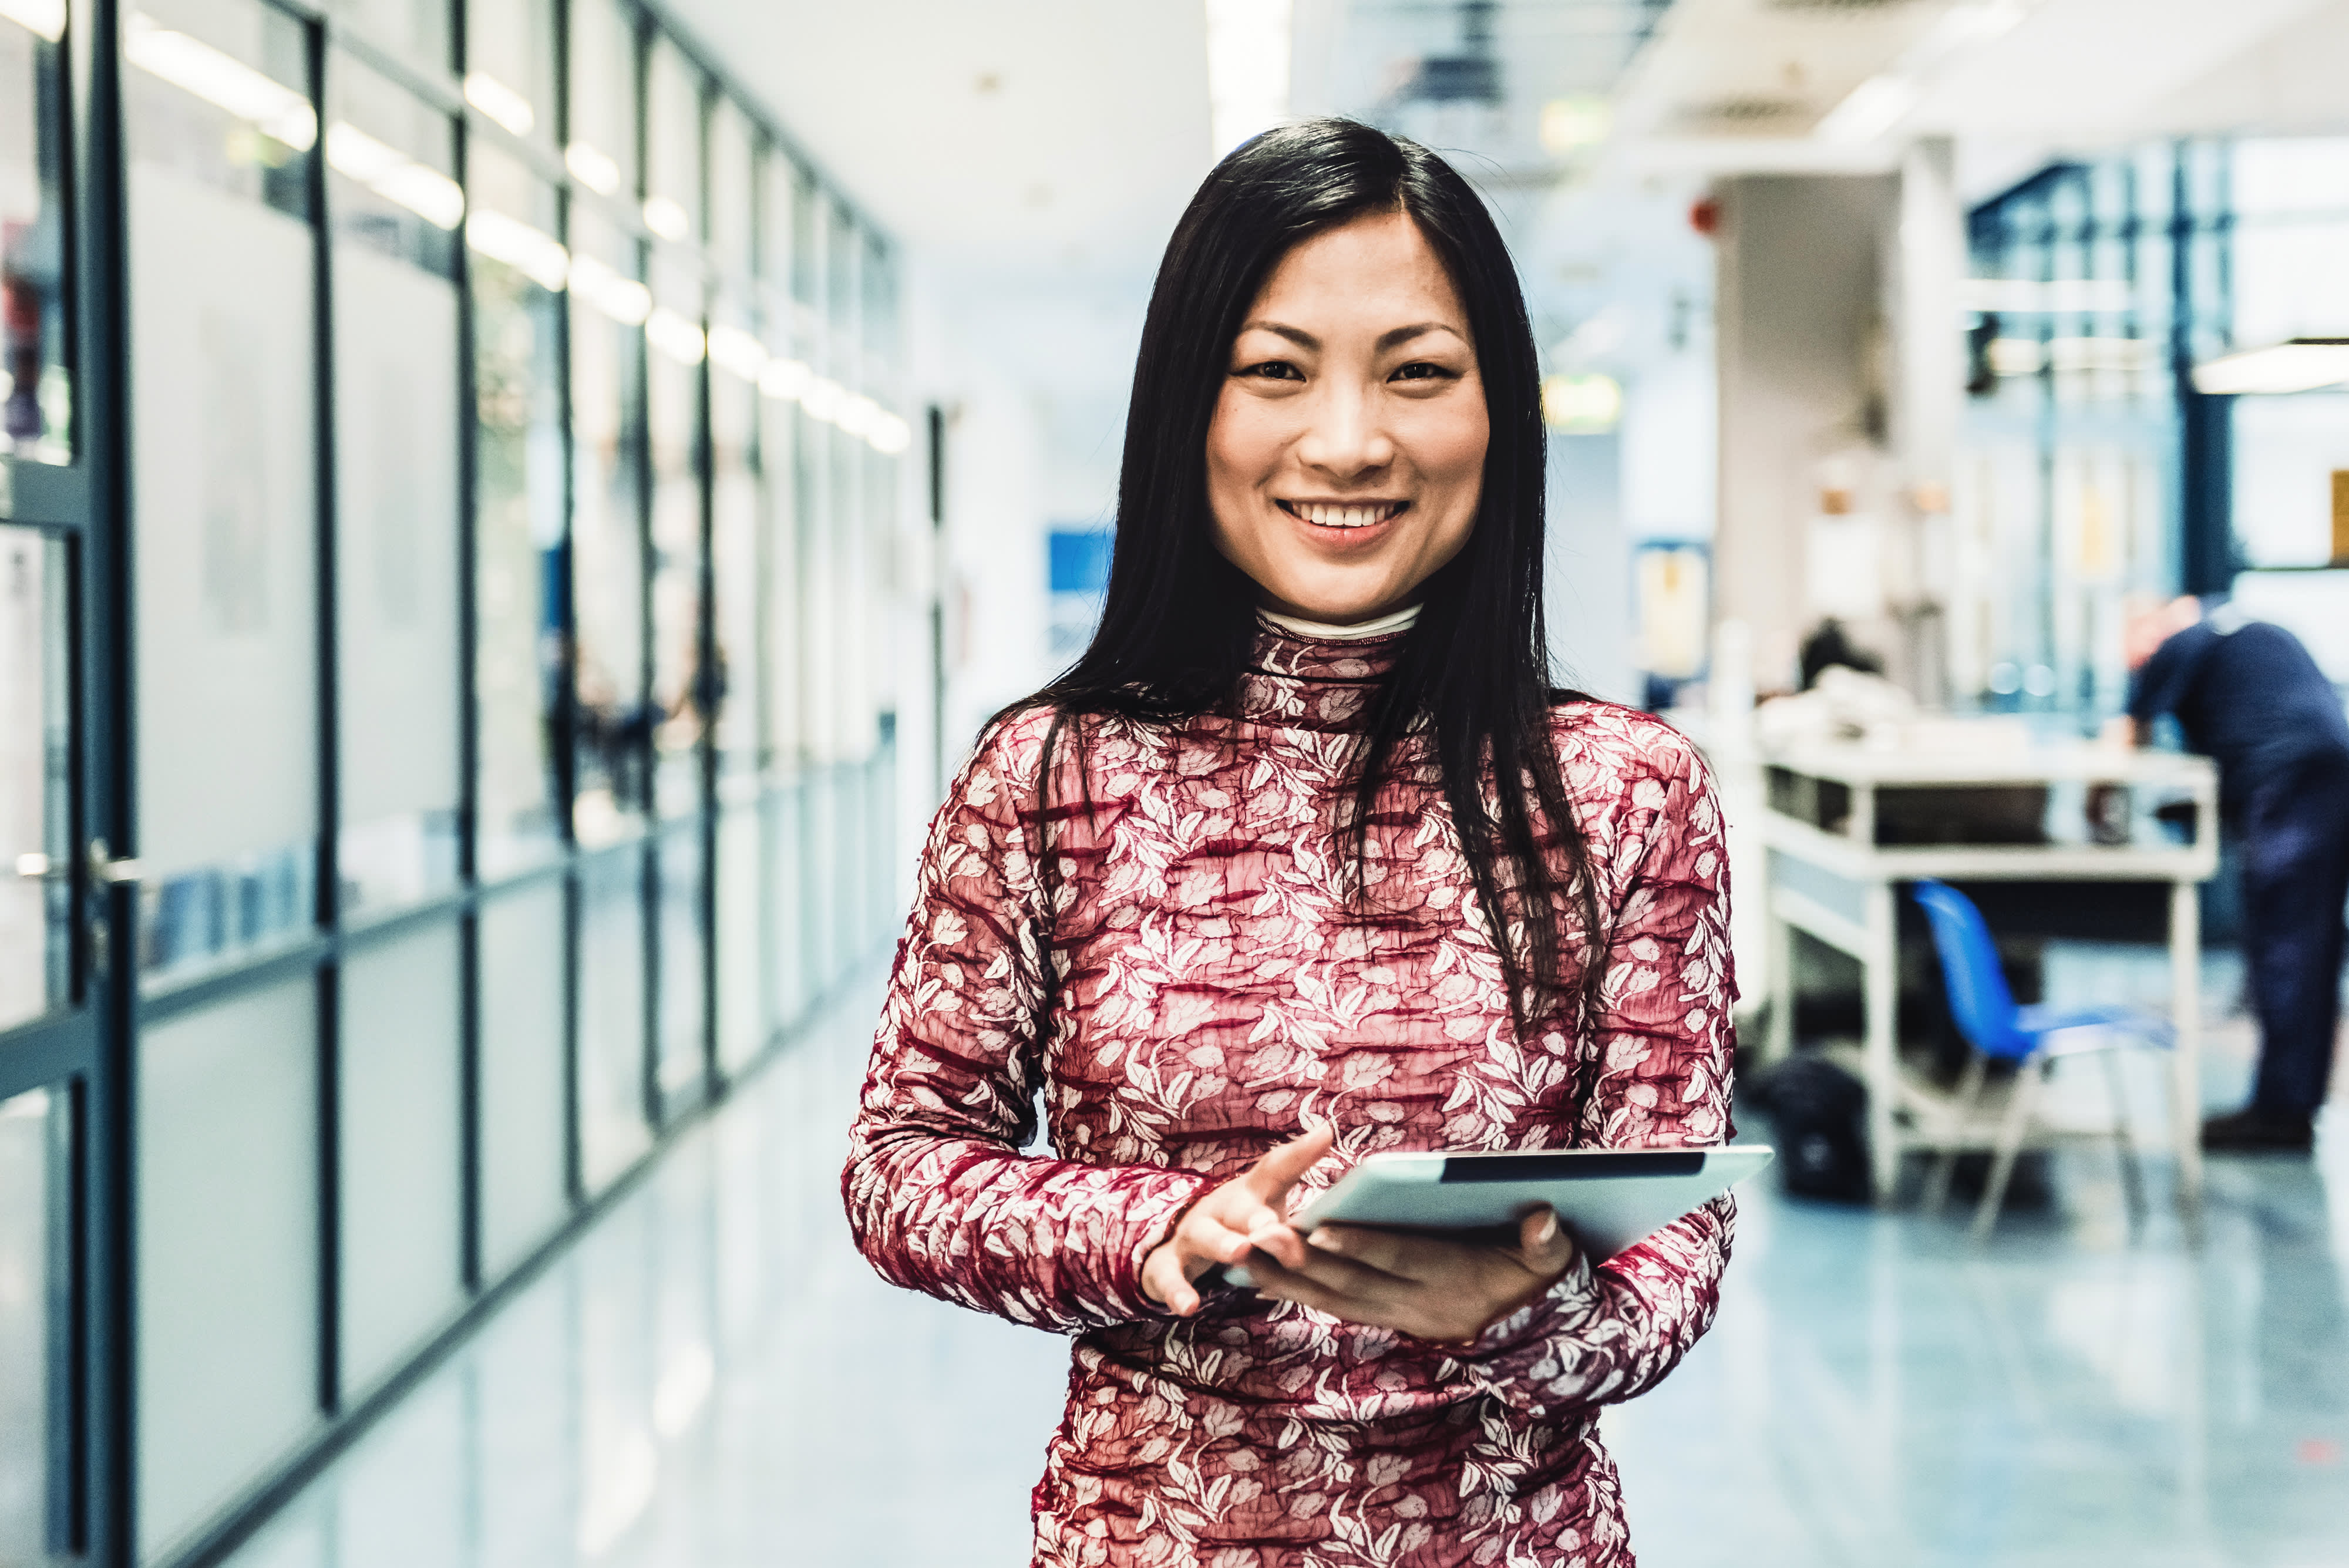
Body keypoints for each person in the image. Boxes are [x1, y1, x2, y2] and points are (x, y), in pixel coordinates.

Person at [844, 119, 1734, 1565]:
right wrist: (1163, 1230)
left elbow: (1676, 1239)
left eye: (1417, 371)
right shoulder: (1049, 771)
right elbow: (900, 1166)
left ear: (1497, 409)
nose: (1345, 441)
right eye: (1275, 370)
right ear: (1190, 404)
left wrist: (1528, 1311)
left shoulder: (1624, 789)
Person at [2124, 593, 2349, 1150]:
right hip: (2328, 774)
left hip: (2289, 787)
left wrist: (2095, 808)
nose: (2135, 656)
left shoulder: (2182, 639)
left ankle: (2280, 1115)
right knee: (2309, 951)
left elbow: (2130, 738)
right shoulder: (2247, 629)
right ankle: (2289, 1105)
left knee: (2288, 951)